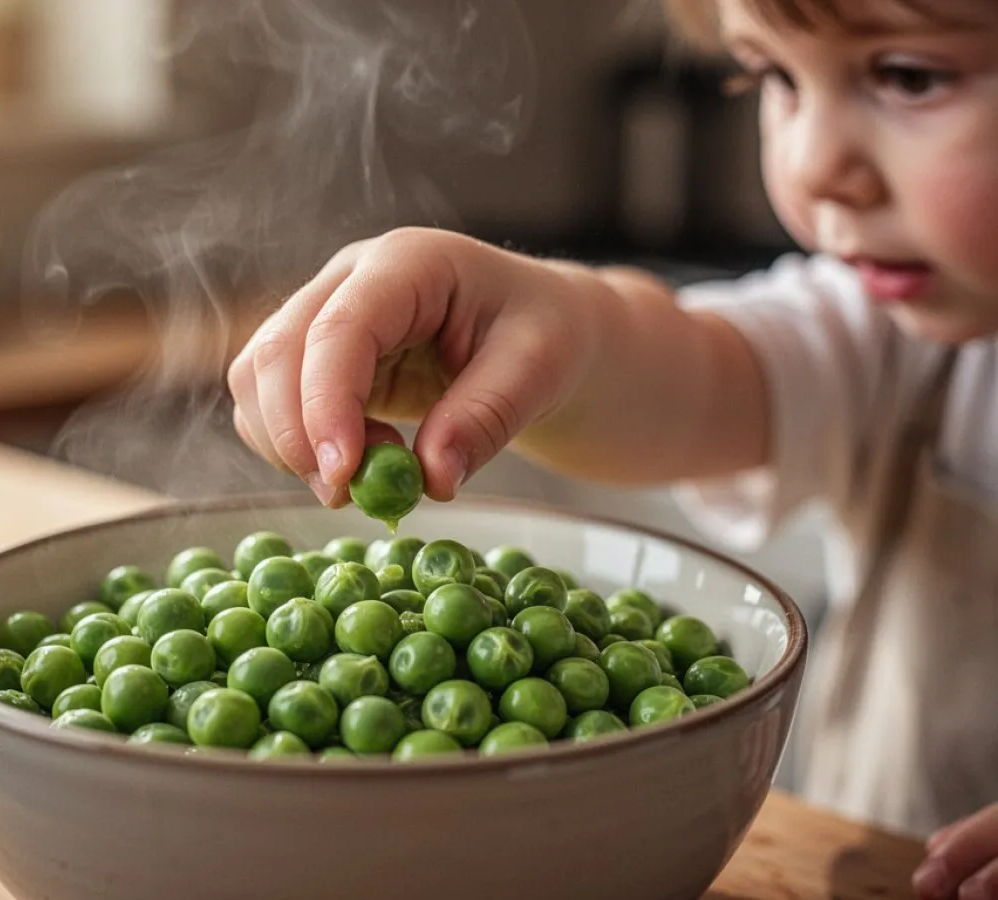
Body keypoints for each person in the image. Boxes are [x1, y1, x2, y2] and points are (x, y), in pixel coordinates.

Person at [226, 1, 998, 897]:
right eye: (772, 77)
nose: (813, 165)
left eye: (911, 76)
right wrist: (542, 322)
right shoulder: (899, 341)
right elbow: (688, 379)